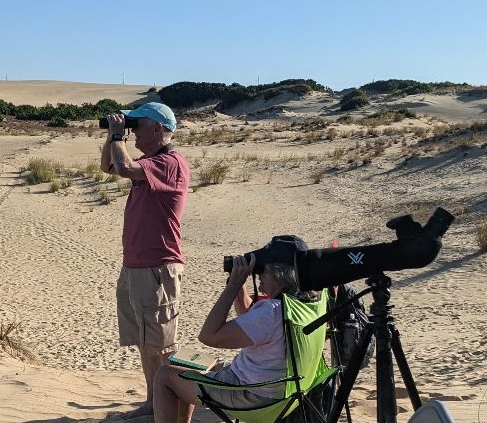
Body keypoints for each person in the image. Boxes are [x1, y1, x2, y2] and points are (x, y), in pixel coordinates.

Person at [150, 253, 322, 423]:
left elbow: (209, 336)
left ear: (279, 274)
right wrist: (240, 288)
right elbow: (251, 322)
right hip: (283, 393)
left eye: (264, 269)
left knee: (164, 377)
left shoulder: (272, 311)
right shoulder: (306, 307)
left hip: (251, 395)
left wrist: (233, 286)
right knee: (184, 362)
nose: (259, 274)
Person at [101, 102, 191, 420]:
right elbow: (109, 167)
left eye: (138, 124)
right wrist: (113, 136)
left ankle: (168, 405)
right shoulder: (149, 162)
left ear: (158, 129)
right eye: (132, 124)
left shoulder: (170, 162)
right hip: (136, 267)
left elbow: (123, 167)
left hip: (157, 268)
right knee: (145, 342)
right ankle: (154, 400)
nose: (133, 130)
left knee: (161, 344)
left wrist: (116, 136)